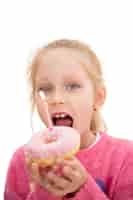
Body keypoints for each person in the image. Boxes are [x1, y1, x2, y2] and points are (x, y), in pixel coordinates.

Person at [4, 39, 133, 200]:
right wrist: (45, 191)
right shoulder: (23, 161)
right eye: (45, 89)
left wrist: (82, 188)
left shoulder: (125, 157)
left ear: (98, 98)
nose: (56, 98)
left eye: (72, 86)